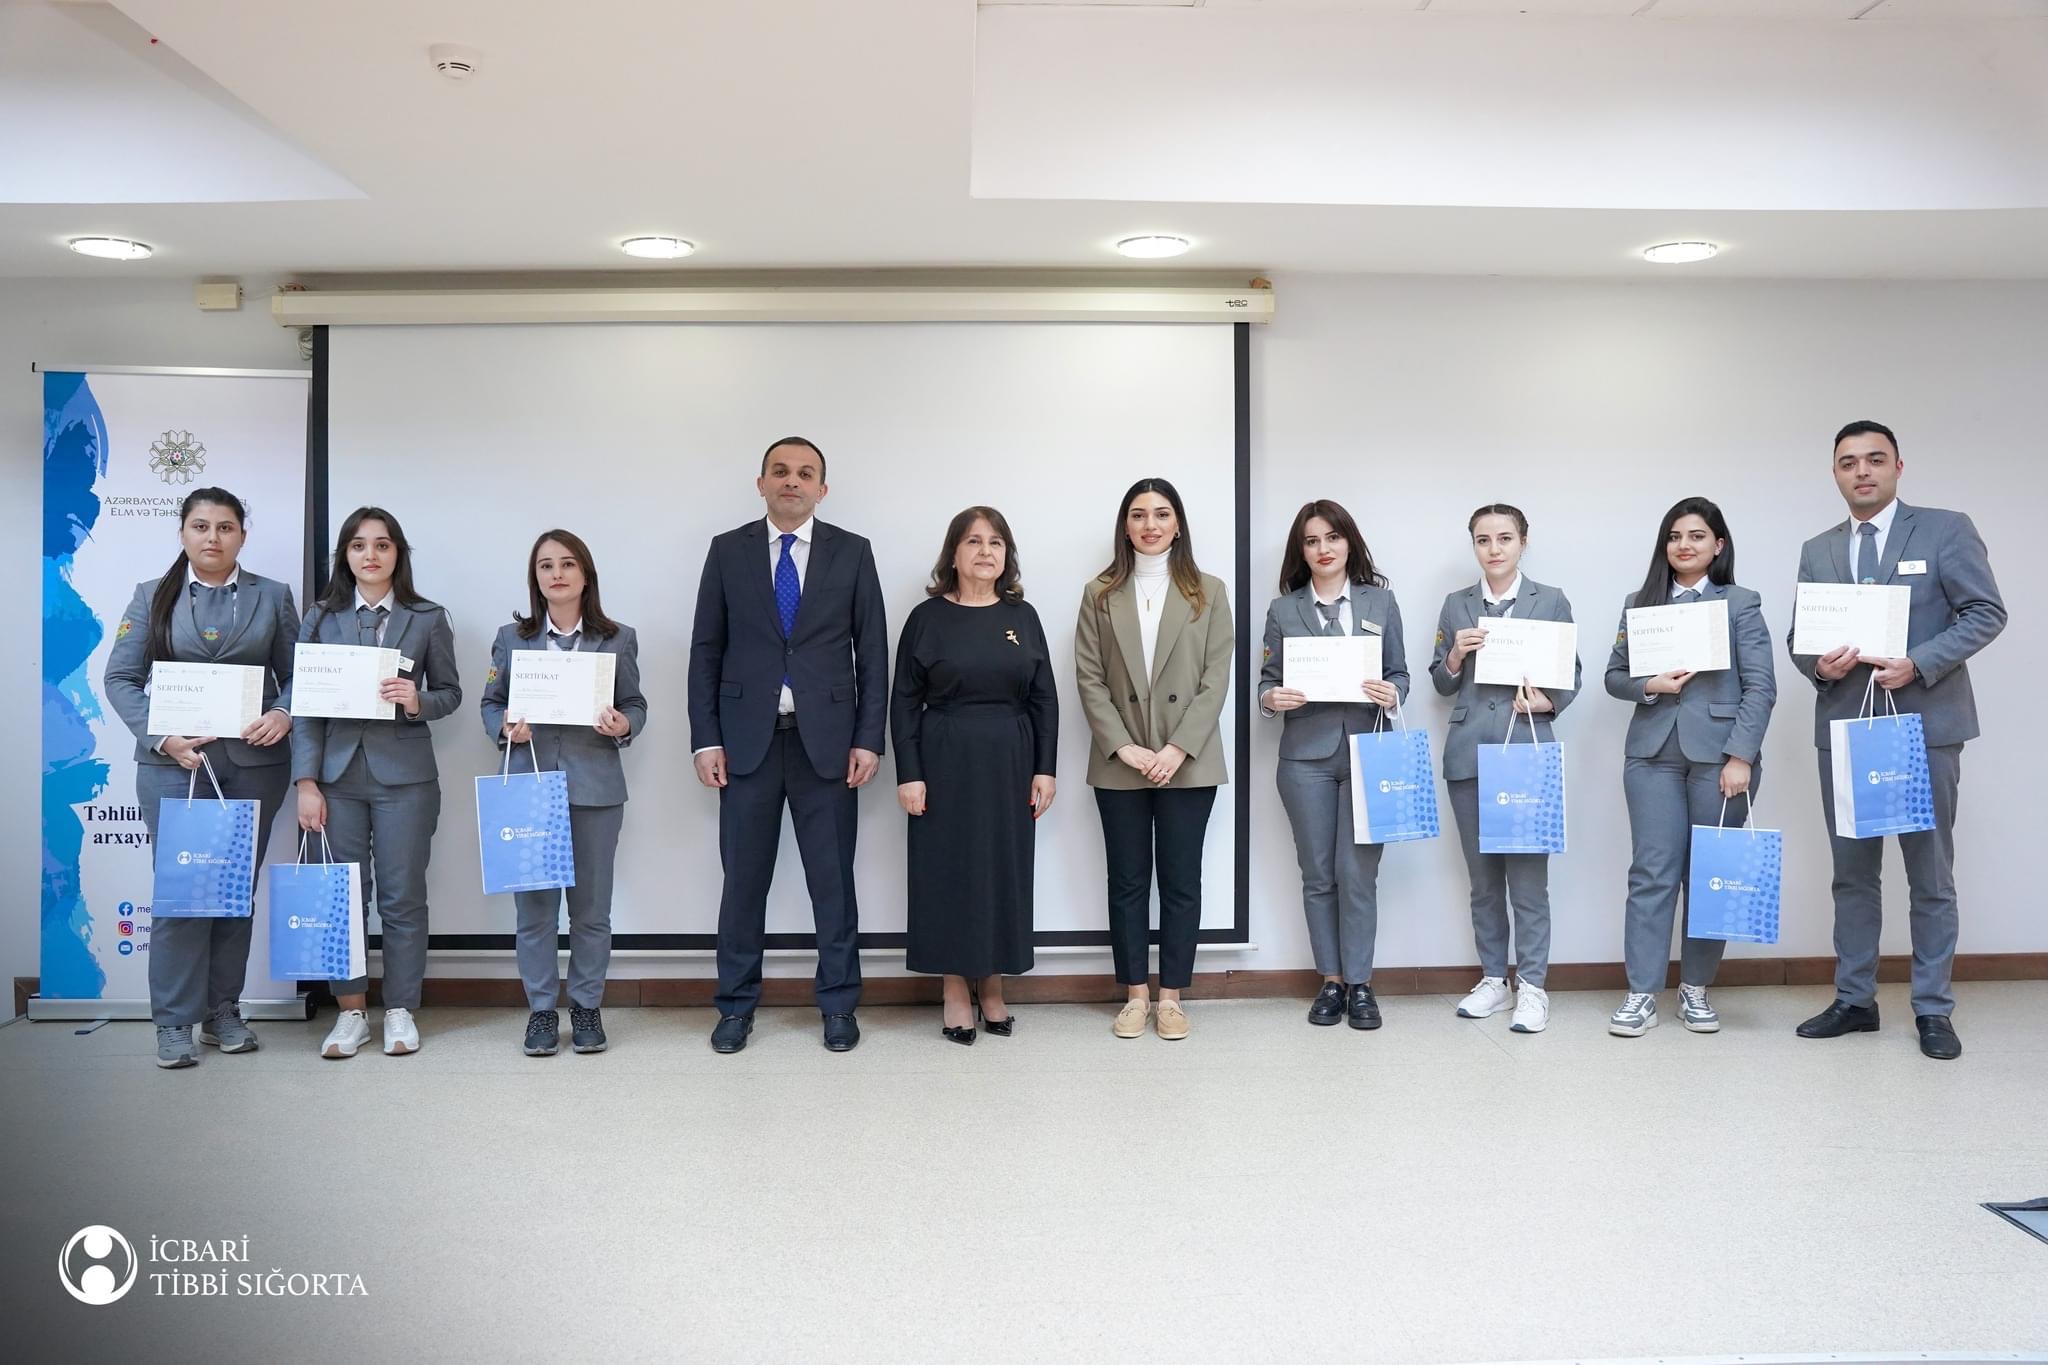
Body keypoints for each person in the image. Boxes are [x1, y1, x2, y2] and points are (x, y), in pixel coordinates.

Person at [1790, 420, 2005, 1061]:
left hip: (1925, 726)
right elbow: (1802, 636)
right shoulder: (1818, 548)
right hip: (1847, 729)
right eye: (1848, 462)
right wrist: (1819, 667)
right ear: (1835, 473)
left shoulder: (1945, 529)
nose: (1862, 471)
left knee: (1929, 876)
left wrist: (1920, 662)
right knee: (1852, 877)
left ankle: (1933, 1008)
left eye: (1875, 459)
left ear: (1898, 467)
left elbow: (1986, 612)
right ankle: (1855, 1000)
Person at [688, 436, 888, 1055]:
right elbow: (706, 650)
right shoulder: (728, 550)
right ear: (761, 483)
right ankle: (735, 1006)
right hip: (745, 744)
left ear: (822, 489)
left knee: (833, 883)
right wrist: (705, 740)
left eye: (805, 473)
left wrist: (868, 739)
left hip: (827, 745)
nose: (792, 481)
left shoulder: (853, 552)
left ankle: (839, 1005)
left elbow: (872, 652)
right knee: (743, 884)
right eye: (780, 471)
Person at [102, 486, 298, 1069]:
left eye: (225, 527)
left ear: (242, 535)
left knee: (233, 895)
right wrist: (162, 737)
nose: (213, 537)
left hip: (253, 766)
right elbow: (120, 678)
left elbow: (298, 675)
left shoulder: (273, 596)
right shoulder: (151, 595)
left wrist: (282, 712)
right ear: (183, 533)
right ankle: (172, 1022)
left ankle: (222, 1012)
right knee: (182, 897)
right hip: (174, 768)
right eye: (201, 526)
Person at [290, 507, 461, 1059]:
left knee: (402, 896)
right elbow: (304, 706)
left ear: (397, 554)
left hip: (405, 779)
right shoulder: (320, 617)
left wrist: (417, 700)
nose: (371, 554)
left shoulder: (427, 617)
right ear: (345, 555)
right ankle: (351, 1013)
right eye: (359, 545)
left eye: (382, 545)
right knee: (342, 897)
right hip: (335, 778)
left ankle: (401, 1009)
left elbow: (451, 693)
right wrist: (306, 782)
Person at [1602, 497, 1776, 1038]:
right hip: (1651, 755)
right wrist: (1650, 686)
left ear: (1718, 545)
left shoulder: (1740, 603)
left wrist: (1741, 756)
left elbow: (1761, 687)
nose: (1684, 545)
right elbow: (1614, 677)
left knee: (1709, 875)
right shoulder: (1640, 604)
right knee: (1651, 873)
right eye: (1675, 536)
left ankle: (1695, 989)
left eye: (1697, 536)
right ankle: (1641, 993)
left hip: (1722, 759)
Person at [1073, 477, 1233, 1041]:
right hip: (1121, 759)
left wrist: (1176, 747)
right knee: (1127, 880)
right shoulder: (1099, 593)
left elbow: (1216, 678)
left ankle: (1172, 997)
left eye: (1162, 514)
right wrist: (1125, 746)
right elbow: (1089, 677)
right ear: (1125, 526)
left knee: (1182, 880)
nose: (1150, 524)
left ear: (1178, 524)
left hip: (1188, 759)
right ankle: (1135, 995)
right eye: (1139, 514)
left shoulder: (1208, 591)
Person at [891, 507, 1058, 1044]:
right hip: (943, 758)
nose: (985, 551)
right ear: (954, 553)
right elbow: (903, 701)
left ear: (1007, 555)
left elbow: (1045, 699)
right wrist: (910, 773)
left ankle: (992, 984)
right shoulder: (926, 618)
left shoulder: (1023, 617)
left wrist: (1045, 768)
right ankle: (954, 989)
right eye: (973, 541)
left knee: (1002, 869)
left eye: (996, 542)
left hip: (1011, 758)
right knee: (947, 870)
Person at [479, 530, 647, 1058]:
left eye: (568, 563)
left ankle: (587, 1007)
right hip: (530, 787)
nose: (557, 573)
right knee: (535, 913)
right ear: (535, 578)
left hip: (596, 789)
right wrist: (505, 726)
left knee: (591, 911)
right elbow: (490, 702)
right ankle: (541, 1012)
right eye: (546, 565)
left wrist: (623, 724)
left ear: (585, 574)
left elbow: (635, 704)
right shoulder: (512, 637)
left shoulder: (618, 638)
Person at [1429, 503, 1581, 1035]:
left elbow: (1570, 674)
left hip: (1525, 752)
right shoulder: (1457, 604)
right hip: (1469, 753)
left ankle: (1533, 985)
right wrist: (1454, 656)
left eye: (1504, 539)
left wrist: (1547, 702)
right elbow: (1440, 681)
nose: (1494, 549)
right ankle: (1494, 978)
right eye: (1483, 540)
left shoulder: (1551, 600)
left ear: (1523, 542)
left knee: (1529, 883)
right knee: (1484, 881)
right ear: (1473, 545)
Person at [1256, 499, 1408, 1031]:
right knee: (1318, 873)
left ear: (1349, 542)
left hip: (1369, 752)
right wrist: (1270, 699)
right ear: (1301, 551)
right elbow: (1267, 680)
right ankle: (1331, 981)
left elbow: (1400, 673)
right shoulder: (1283, 610)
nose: (1323, 549)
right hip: (1305, 758)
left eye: (1332, 538)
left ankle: (1361, 983)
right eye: (1312, 541)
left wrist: (1393, 692)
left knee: (1357, 873)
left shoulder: (1380, 602)